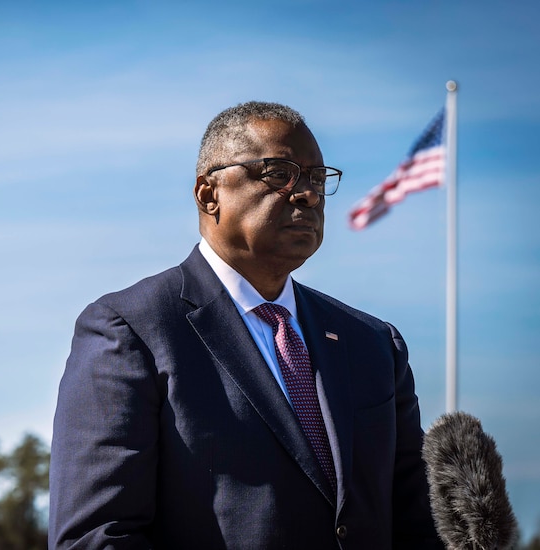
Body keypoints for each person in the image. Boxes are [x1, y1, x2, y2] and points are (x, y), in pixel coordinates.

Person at [49, 101, 442, 549]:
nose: (308, 194)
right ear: (208, 194)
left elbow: (417, 523)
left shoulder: (373, 343)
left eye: (316, 178)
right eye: (279, 173)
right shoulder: (131, 330)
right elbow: (97, 537)